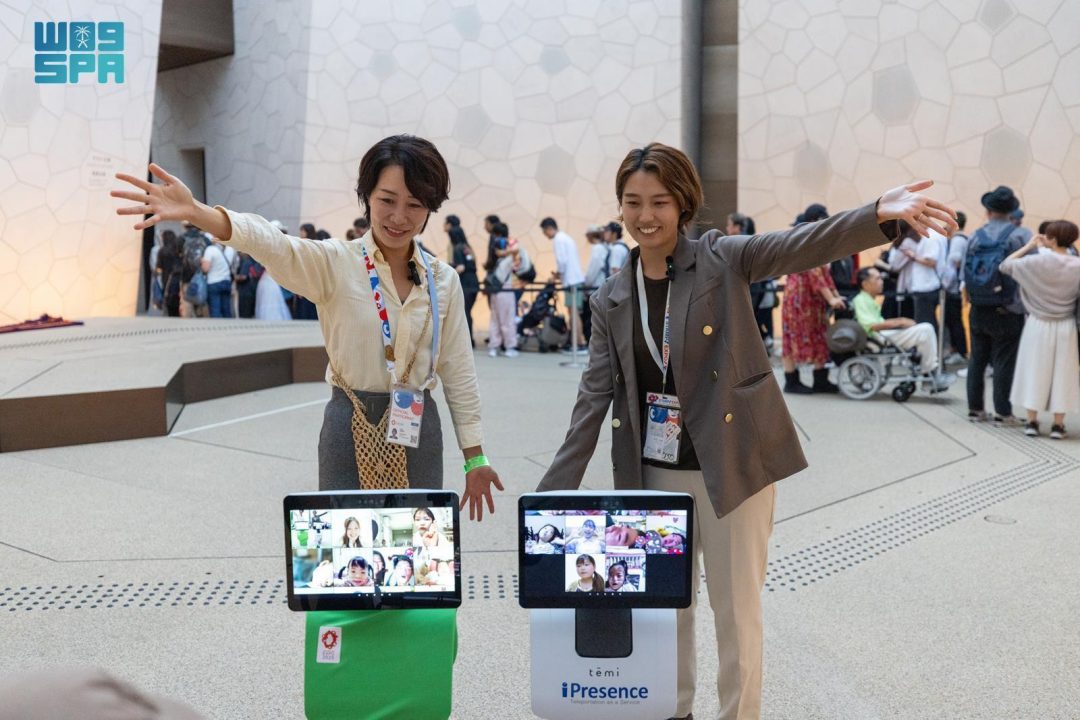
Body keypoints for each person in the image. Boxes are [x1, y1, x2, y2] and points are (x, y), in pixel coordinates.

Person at [536, 141, 955, 720]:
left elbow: (799, 244)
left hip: (734, 460)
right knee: (666, 608)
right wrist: (553, 494)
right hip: (655, 474)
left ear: (684, 203)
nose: (645, 216)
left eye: (659, 201)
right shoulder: (612, 295)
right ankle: (674, 710)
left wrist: (875, 214)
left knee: (736, 610)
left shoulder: (720, 257)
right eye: (632, 203)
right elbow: (594, 397)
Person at [112, 135, 504, 521]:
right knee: (343, 555)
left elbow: (458, 372)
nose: (399, 217)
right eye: (387, 200)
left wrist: (475, 458)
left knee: (417, 558)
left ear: (430, 208)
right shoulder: (334, 262)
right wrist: (200, 213)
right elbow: (273, 244)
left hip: (416, 427)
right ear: (367, 195)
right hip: (347, 424)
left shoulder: (443, 280)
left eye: (415, 204)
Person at [1000, 221, 1080, 439]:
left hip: (1036, 324)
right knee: (1063, 374)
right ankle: (1058, 425)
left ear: (1051, 238)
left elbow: (1005, 265)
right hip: (1066, 325)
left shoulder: (1035, 261)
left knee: (1034, 371)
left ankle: (1032, 421)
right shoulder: (1078, 265)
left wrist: (1029, 245)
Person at [963, 185, 1028, 424]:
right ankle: (1003, 412)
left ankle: (975, 410)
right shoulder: (1021, 236)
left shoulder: (974, 236)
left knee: (977, 359)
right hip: (1008, 307)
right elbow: (1029, 272)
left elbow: (964, 274)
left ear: (988, 210)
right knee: (1004, 360)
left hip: (978, 307)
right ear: (1011, 211)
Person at [852, 267, 949, 387]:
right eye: (877, 279)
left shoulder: (868, 300)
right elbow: (872, 325)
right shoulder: (861, 300)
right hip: (879, 338)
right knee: (926, 329)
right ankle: (929, 372)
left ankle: (928, 372)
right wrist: (900, 322)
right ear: (865, 284)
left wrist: (900, 322)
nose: (881, 281)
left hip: (882, 336)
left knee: (924, 333)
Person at [780, 261, 846, 394]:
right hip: (800, 300)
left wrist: (836, 296)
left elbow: (825, 276)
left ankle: (820, 380)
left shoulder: (821, 250)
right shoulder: (810, 248)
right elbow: (815, 273)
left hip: (811, 300)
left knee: (819, 335)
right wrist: (832, 299)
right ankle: (792, 381)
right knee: (793, 337)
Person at [542, 217, 587, 347]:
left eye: (544, 232)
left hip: (571, 281)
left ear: (549, 229)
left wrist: (556, 275)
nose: (545, 235)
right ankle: (578, 341)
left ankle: (578, 342)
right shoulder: (566, 238)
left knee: (573, 313)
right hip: (575, 279)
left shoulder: (558, 240)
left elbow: (562, 261)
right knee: (574, 313)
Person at [485, 221, 520, 358]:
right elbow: (518, 257)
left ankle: (494, 347)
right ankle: (509, 347)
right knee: (508, 319)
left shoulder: (494, 255)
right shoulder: (508, 259)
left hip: (495, 290)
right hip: (505, 290)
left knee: (495, 319)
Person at [444, 214, 478, 346]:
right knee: (467, 311)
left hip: (466, 284)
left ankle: (467, 341)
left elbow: (461, 267)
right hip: (473, 282)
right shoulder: (466, 247)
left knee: (464, 312)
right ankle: (470, 340)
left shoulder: (457, 248)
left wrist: (448, 273)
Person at [942, 211, 969, 363]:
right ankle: (956, 350)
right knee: (952, 320)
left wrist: (945, 284)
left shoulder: (958, 240)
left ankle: (960, 351)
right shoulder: (965, 238)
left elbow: (955, 262)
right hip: (958, 286)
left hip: (954, 287)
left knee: (954, 320)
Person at [200, 236, 233, 318]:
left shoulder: (210, 250)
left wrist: (201, 262)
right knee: (227, 311)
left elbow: (205, 268)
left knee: (215, 311)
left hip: (214, 282)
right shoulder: (230, 250)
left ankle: (217, 329)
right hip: (227, 281)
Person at [155, 229, 184, 317]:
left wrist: (157, 272)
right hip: (179, 278)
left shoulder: (162, 251)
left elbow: (158, 267)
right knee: (179, 300)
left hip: (167, 279)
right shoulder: (178, 250)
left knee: (169, 302)